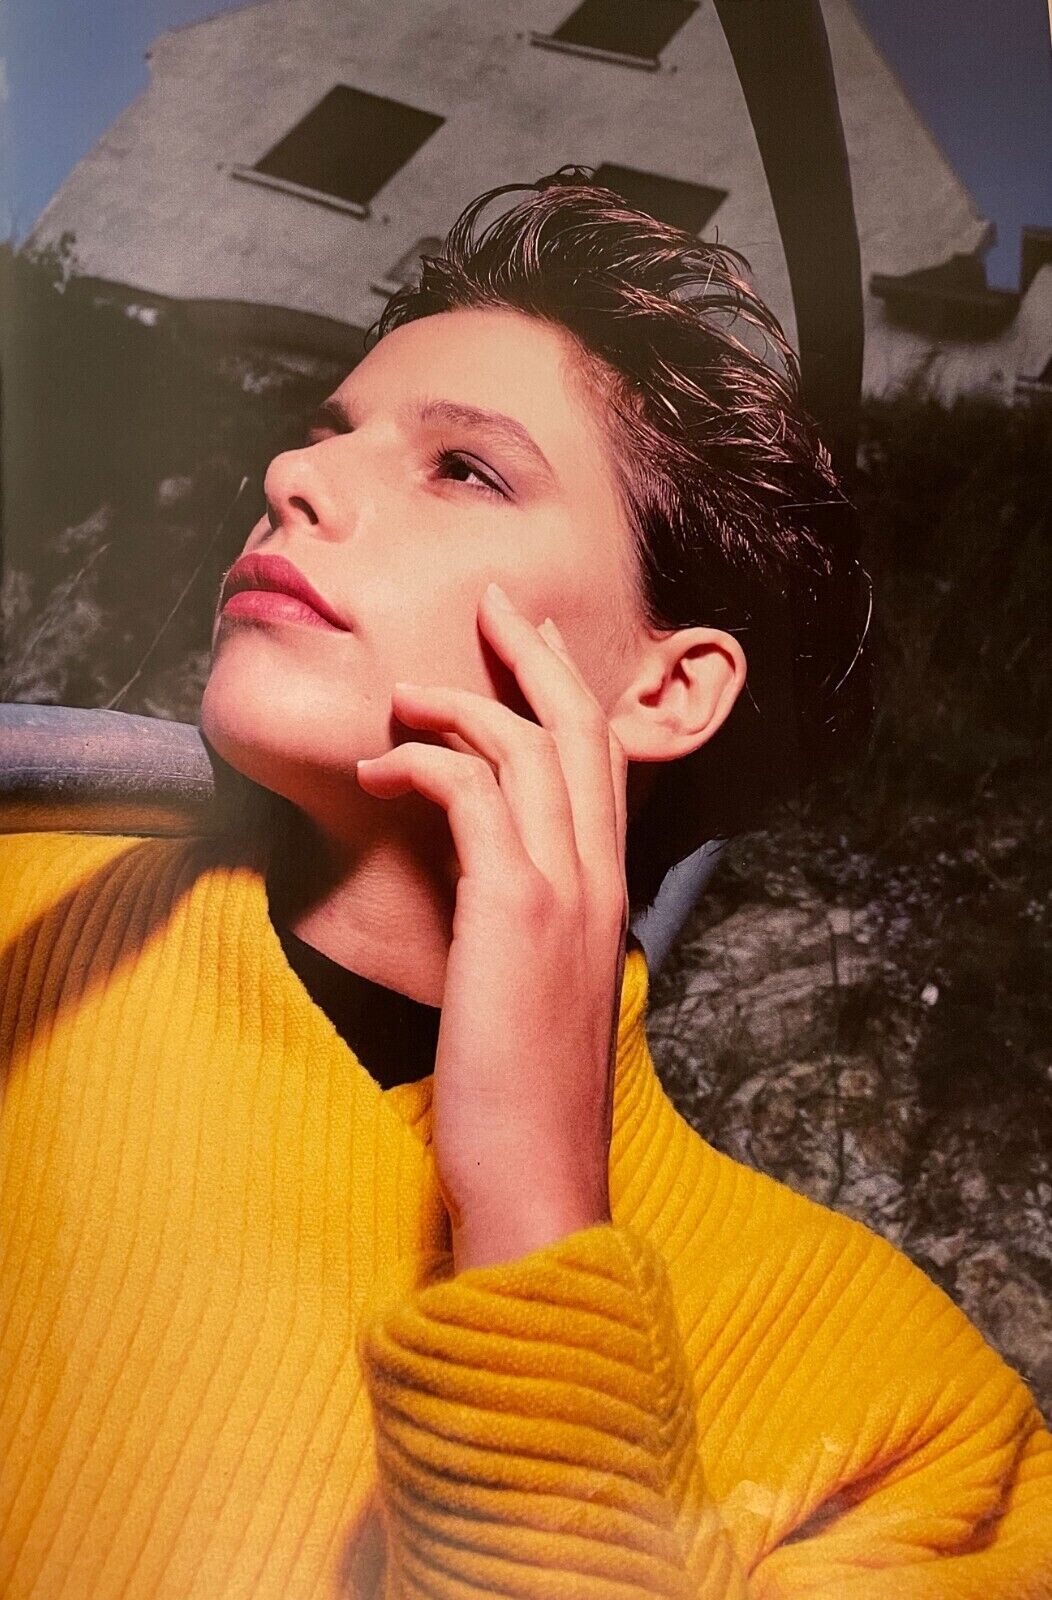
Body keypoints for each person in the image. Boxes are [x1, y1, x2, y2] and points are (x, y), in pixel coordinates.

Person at [1, 171, 1049, 1599]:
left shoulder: (918, 1417)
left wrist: (532, 1213)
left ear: (667, 688)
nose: (293, 477)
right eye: (330, 433)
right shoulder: (25, 910)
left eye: (463, 469)